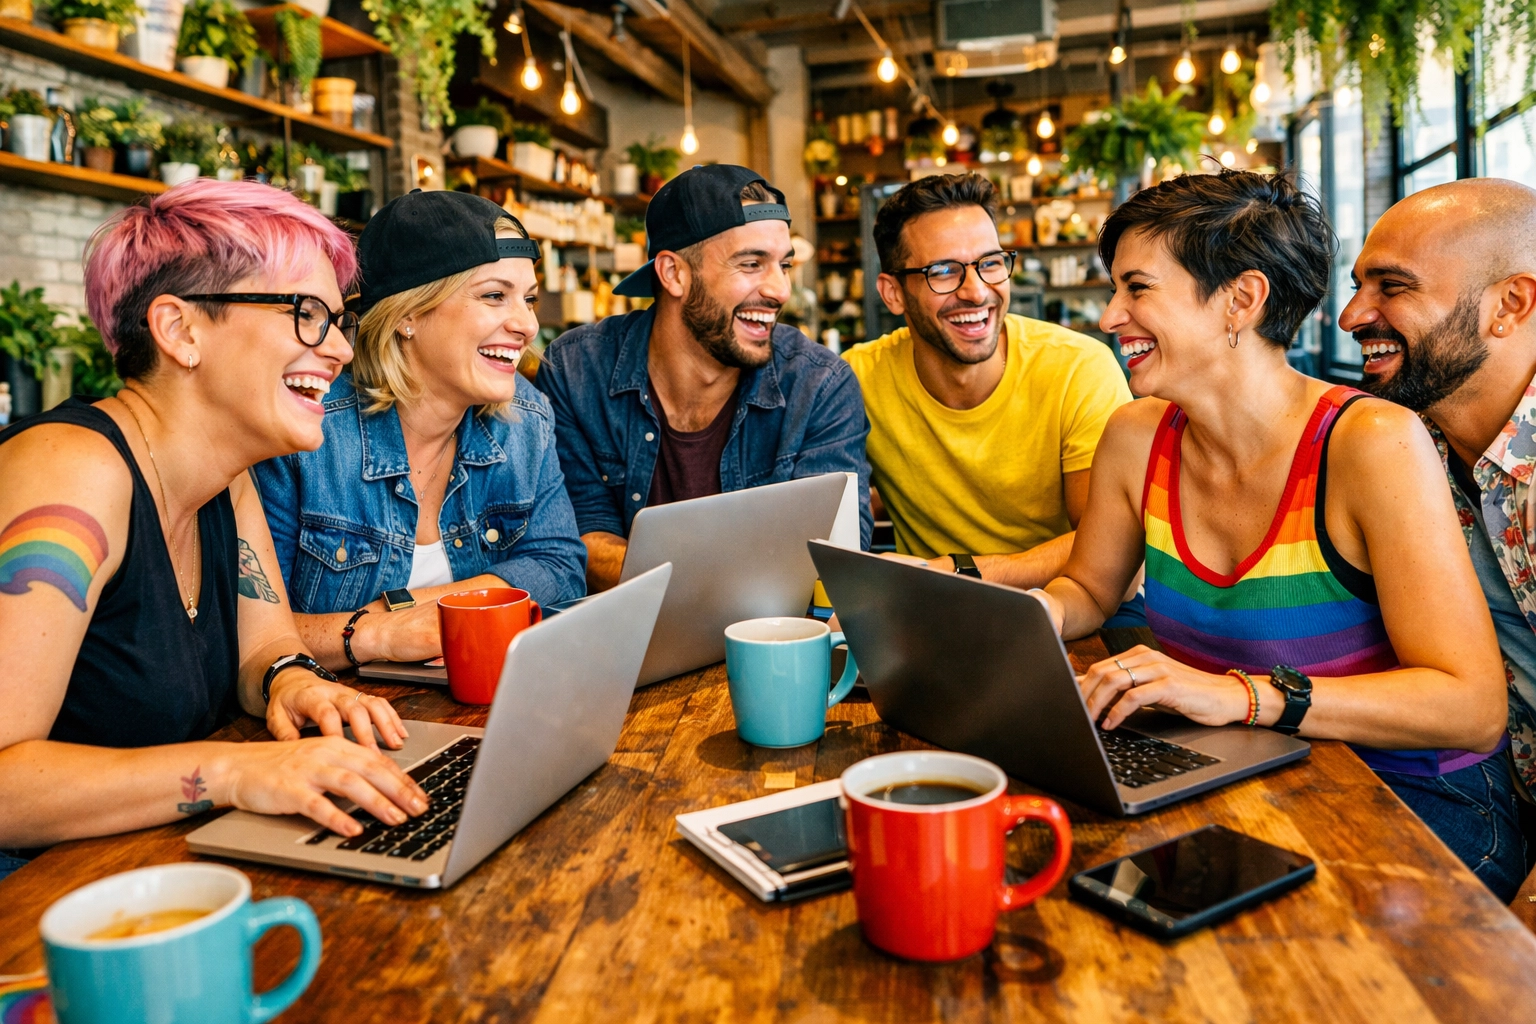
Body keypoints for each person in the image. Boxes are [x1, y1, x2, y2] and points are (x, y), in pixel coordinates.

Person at [1032, 170, 1519, 900]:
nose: (1109, 317)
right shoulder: (1136, 435)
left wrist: (1242, 697)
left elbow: (1472, 709)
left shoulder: (1372, 441)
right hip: (1248, 766)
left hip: (1414, 795)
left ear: (1241, 299)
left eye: (1138, 289)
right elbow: (1090, 589)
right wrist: (1028, 617)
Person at [0, 180, 428, 876]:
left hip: (146, 873)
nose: (342, 353)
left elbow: (269, 649)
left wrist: (295, 683)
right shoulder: (70, 471)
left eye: (337, 321)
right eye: (306, 314)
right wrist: (237, 772)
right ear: (180, 331)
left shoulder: (227, 477)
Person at [253, 190, 585, 671]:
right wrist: (380, 636)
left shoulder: (525, 418)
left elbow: (560, 566)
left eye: (528, 299)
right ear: (408, 314)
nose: (527, 324)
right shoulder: (308, 432)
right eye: (495, 296)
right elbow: (255, 629)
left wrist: (410, 607)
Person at [534, 165, 871, 592]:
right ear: (674, 274)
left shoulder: (818, 385)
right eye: (751, 263)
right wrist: (729, 579)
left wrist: (684, 581)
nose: (781, 290)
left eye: (783, 264)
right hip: (628, 644)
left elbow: (831, 556)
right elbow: (581, 541)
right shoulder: (577, 372)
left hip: (770, 644)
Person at [1339, 178, 1536, 819]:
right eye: (1358, 286)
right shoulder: (1406, 441)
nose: (1352, 317)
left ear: (1510, 304)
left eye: (1392, 287)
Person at [844, 172, 1133, 591]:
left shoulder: (1077, 368)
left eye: (990, 264)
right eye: (943, 271)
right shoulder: (856, 379)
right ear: (892, 293)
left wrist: (964, 571)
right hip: (927, 616)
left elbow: (1114, 553)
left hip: (1070, 608)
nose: (977, 292)